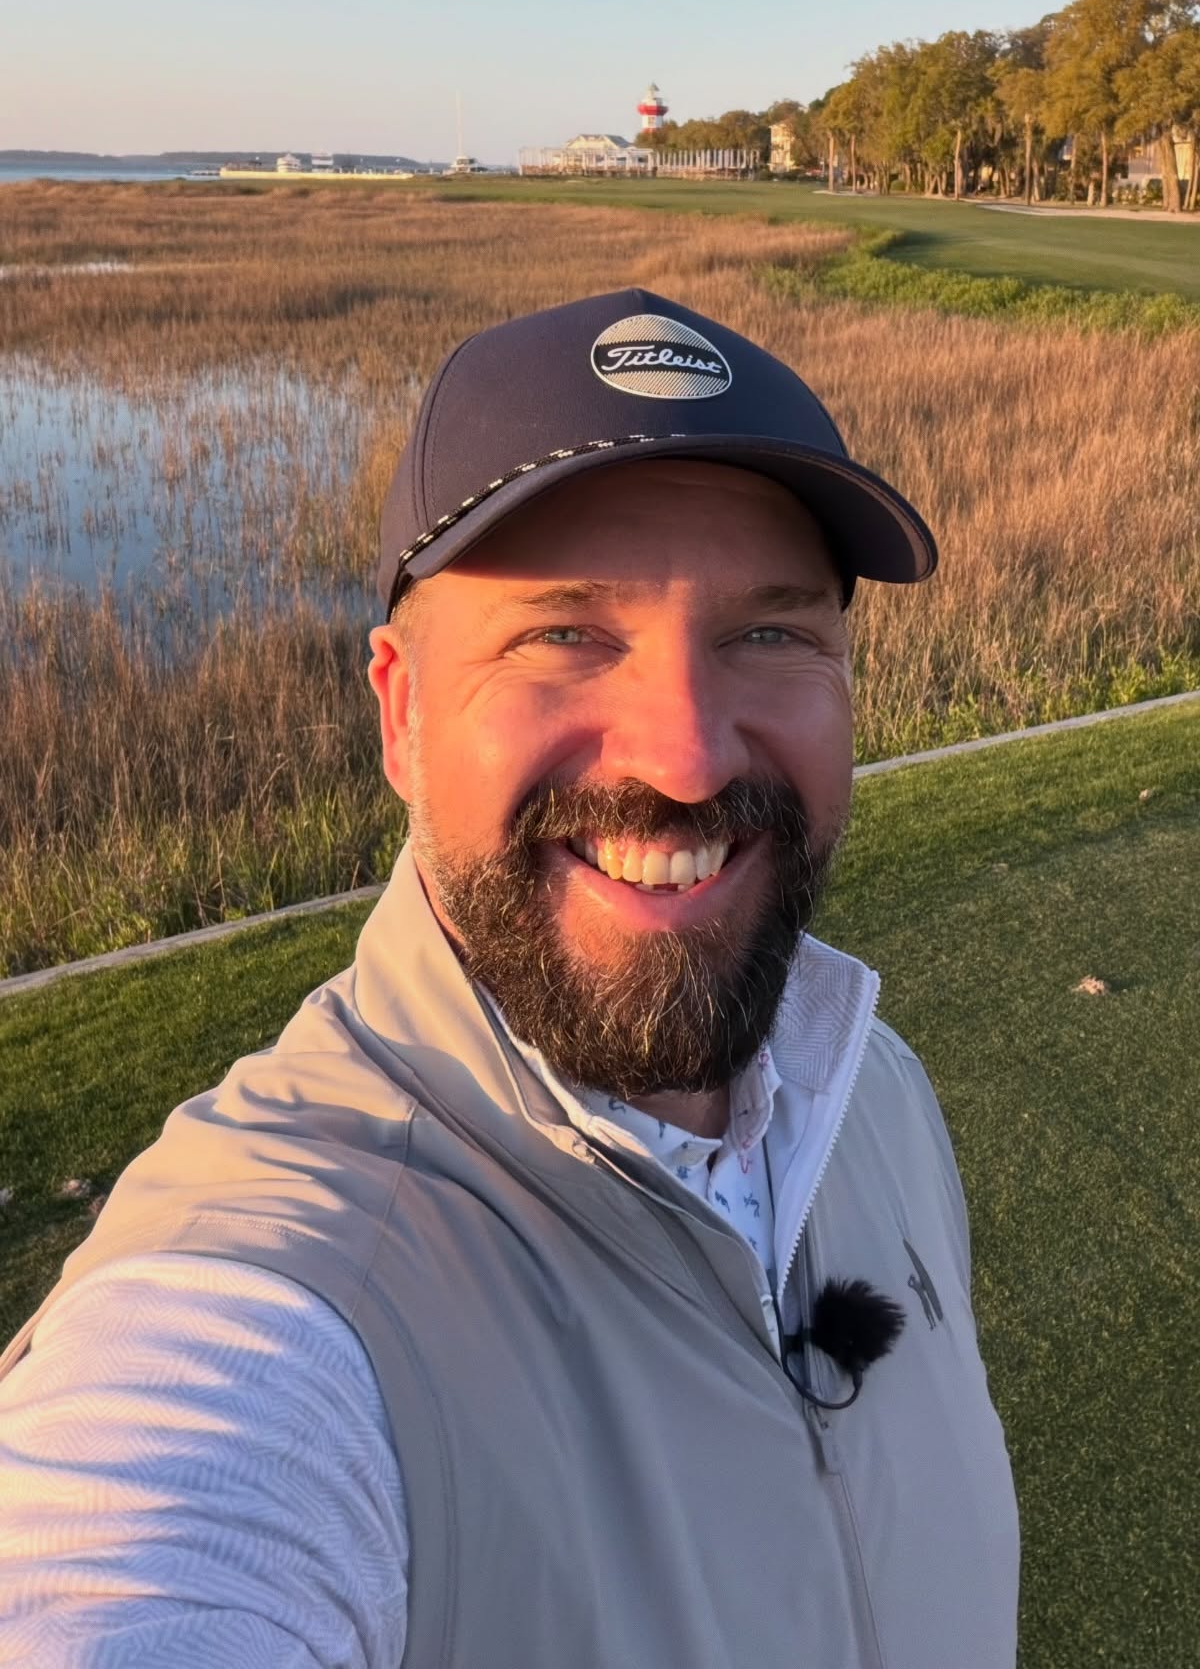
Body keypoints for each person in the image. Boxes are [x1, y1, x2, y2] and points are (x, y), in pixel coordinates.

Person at [0, 290, 1019, 1666]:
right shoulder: (280, 1299)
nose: (686, 758)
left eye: (770, 634)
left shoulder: (873, 1091)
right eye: (563, 636)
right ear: (403, 714)